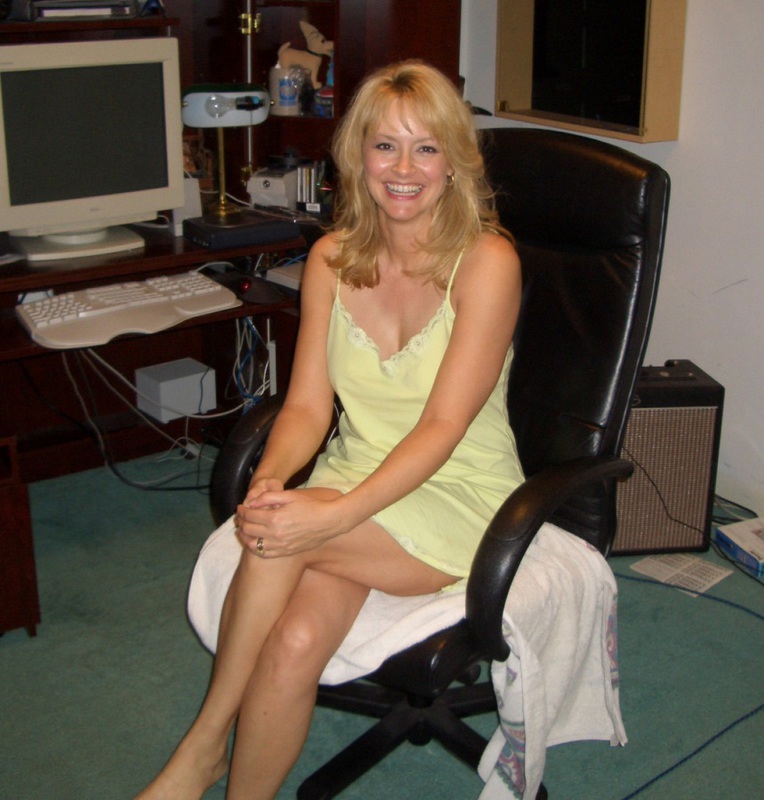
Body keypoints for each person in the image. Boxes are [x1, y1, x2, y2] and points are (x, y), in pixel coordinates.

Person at [135, 59, 524, 800]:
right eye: (385, 146)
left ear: (453, 162)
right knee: (294, 641)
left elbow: (443, 428)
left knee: (283, 533)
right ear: (357, 156)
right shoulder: (330, 260)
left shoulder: (487, 262)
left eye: (426, 148)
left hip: (459, 492)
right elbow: (308, 408)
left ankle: (204, 743)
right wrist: (272, 477)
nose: (403, 169)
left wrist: (332, 513)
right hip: (356, 473)